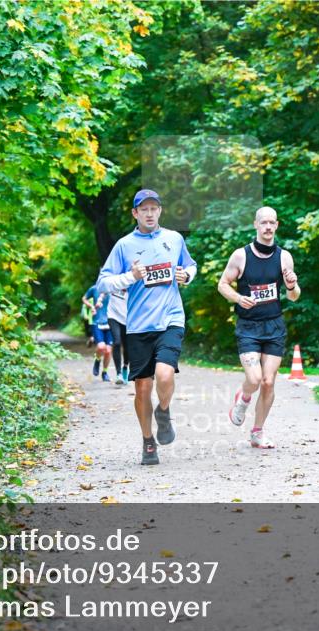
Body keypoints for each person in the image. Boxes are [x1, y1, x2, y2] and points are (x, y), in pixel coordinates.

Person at [97, 189, 197, 465]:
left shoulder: (174, 239)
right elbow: (103, 282)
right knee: (142, 387)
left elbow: (191, 266)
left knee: (164, 375)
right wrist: (131, 276)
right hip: (139, 325)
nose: (150, 213)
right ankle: (148, 441)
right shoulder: (124, 245)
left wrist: (186, 274)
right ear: (135, 213)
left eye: (154, 208)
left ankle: (163, 412)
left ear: (160, 211)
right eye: (144, 209)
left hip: (171, 318)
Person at [217, 206, 301, 449]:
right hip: (248, 327)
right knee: (253, 379)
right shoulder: (241, 256)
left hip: (274, 326)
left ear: (276, 226)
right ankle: (243, 399)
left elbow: (294, 296)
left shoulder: (284, 257)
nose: (267, 227)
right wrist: (237, 298)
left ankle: (257, 432)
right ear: (255, 225)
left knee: (268, 382)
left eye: (271, 223)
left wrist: (292, 286)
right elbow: (223, 284)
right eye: (263, 222)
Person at [82, 283, 112, 381]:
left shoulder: (113, 288)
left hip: (111, 322)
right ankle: (97, 359)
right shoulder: (94, 288)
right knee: (101, 346)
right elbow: (84, 298)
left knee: (108, 351)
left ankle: (104, 372)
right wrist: (91, 306)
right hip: (97, 322)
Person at [107, 287, 130, 385]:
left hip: (127, 318)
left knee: (128, 346)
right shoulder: (114, 280)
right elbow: (103, 288)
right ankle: (118, 374)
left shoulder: (132, 281)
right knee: (117, 342)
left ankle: (125, 366)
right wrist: (99, 300)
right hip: (113, 316)